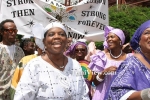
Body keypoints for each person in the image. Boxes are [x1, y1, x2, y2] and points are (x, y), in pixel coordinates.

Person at [14, 21, 90, 100]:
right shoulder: (33, 66)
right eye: (51, 34)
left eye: (61, 34)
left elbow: (83, 95)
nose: (57, 37)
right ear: (44, 41)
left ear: (66, 40)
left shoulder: (75, 65)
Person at [104, 20, 150, 100]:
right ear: (139, 41)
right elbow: (116, 94)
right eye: (147, 33)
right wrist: (147, 94)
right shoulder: (131, 64)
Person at [89, 26, 132, 100]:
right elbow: (94, 83)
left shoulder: (130, 58)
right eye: (107, 38)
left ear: (120, 40)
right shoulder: (101, 57)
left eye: (112, 37)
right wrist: (104, 72)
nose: (109, 39)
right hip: (102, 96)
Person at [0, 19, 25, 100]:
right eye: (10, 30)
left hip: (16, 94)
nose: (13, 33)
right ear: (2, 32)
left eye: (15, 30)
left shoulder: (20, 51)